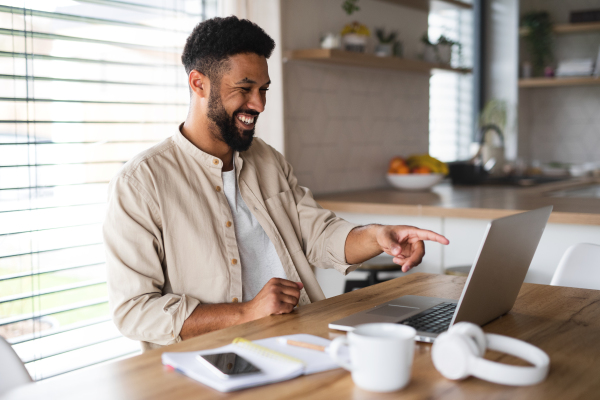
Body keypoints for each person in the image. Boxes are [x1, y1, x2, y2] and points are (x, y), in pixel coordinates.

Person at [103, 16, 449, 351]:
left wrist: (378, 237)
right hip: (212, 364)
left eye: (263, 89)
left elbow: (317, 234)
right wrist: (246, 313)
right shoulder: (140, 183)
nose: (258, 104)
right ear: (198, 83)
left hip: (301, 340)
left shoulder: (266, 159)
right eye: (245, 89)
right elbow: (134, 311)